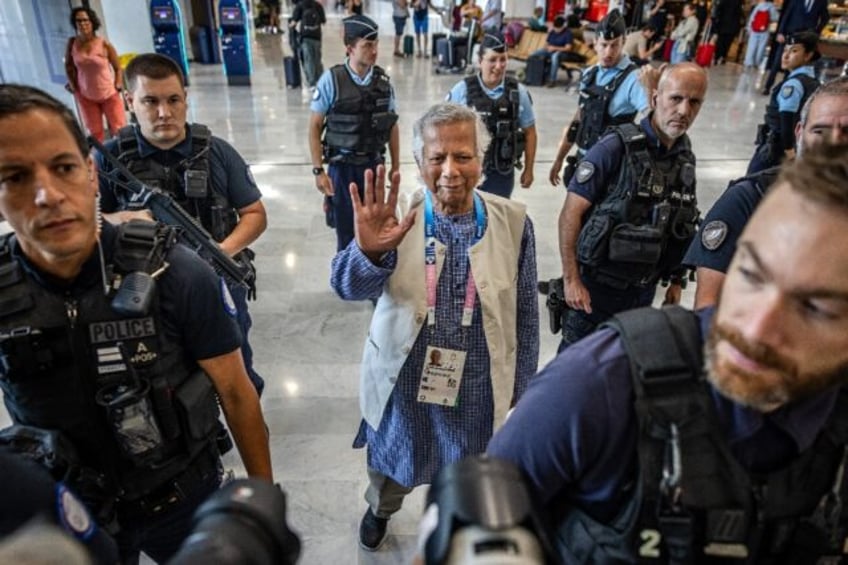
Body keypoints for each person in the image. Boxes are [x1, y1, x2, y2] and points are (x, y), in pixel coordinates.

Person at [488, 142, 848, 562]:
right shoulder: (602, 382)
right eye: (750, 273)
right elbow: (468, 529)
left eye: (815, 307)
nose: (756, 326)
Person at [0, 84, 272, 563]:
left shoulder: (178, 273)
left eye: (63, 167)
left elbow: (235, 391)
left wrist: (261, 509)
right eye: (15, 177)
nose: (47, 195)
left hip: (182, 498)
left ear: (89, 171)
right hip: (70, 512)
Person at [330, 102, 539, 552]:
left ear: (481, 160)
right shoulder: (396, 217)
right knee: (393, 461)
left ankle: (457, 521)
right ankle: (380, 508)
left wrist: (521, 392)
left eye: (463, 156)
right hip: (405, 382)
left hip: (479, 386)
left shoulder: (514, 223)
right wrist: (366, 253)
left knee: (468, 473)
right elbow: (345, 287)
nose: (450, 170)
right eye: (436, 157)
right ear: (419, 162)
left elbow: (525, 313)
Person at [94, 53, 268, 397]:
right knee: (160, 382)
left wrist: (217, 254)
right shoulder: (110, 158)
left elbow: (255, 214)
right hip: (145, 293)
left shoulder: (217, 152)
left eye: (173, 99)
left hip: (217, 285)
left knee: (238, 379)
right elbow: (88, 226)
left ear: (186, 99)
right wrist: (123, 219)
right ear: (130, 101)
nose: (164, 112)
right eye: (150, 101)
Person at [556, 63, 707, 349]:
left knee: (622, 368)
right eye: (676, 98)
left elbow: (683, 220)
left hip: (642, 292)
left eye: (694, 101)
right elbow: (570, 214)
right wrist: (571, 280)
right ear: (654, 99)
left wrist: (676, 281)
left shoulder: (685, 157)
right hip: (595, 291)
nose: (684, 111)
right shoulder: (614, 147)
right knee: (574, 371)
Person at [684, 77, 848, 309]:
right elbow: (709, 308)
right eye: (820, 130)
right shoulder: (750, 199)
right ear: (800, 133)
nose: (834, 143)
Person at [309, 14, 400, 253]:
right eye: (367, 45)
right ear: (350, 48)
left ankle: (370, 278)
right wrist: (319, 170)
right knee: (345, 229)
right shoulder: (332, 80)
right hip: (342, 168)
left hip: (374, 166)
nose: (374, 50)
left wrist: (396, 165)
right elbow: (314, 126)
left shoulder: (383, 83)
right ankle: (346, 280)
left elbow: (392, 126)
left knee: (375, 229)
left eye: (376, 44)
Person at [548, 9, 650, 188]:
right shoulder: (589, 74)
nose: (608, 52)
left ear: (623, 43)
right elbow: (577, 122)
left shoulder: (633, 79)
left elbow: (653, 121)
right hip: (583, 161)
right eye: (603, 45)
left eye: (614, 45)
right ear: (595, 43)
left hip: (610, 167)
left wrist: (651, 89)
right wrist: (559, 159)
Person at [446, 32, 537, 198]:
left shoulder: (518, 93)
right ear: (480, 60)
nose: (499, 65)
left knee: (498, 218)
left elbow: (530, 132)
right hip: (467, 171)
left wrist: (529, 169)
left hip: (502, 173)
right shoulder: (462, 91)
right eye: (493, 59)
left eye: (503, 59)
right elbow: (444, 131)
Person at [747, 31, 820, 175]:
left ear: (808, 55)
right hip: (795, 148)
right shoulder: (813, 82)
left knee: (750, 187)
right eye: (785, 50)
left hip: (775, 151)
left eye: (793, 51)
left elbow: (786, 120)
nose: (785, 55)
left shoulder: (793, 84)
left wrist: (790, 153)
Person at [64, 6, 126, 143]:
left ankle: (124, 160)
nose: (82, 24)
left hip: (109, 93)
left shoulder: (104, 44)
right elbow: (68, 65)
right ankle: (100, 161)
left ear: (92, 22)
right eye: (78, 21)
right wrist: (73, 85)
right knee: (95, 133)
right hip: (86, 95)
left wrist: (118, 83)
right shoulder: (72, 44)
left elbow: (117, 67)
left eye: (86, 20)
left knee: (119, 129)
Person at [760, 0, 829, 95]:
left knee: (794, 64)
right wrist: (780, 32)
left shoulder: (821, 2)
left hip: (804, 38)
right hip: (788, 35)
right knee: (777, 63)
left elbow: (826, 17)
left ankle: (783, 88)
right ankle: (767, 87)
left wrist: (816, 31)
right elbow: (786, 15)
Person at [529, 16, 581, 87]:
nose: (556, 30)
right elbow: (546, 43)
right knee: (535, 53)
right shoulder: (552, 32)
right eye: (555, 28)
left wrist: (555, 48)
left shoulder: (568, 33)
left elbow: (568, 48)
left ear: (563, 26)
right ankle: (530, 74)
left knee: (554, 57)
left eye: (558, 28)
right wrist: (547, 47)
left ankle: (552, 80)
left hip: (562, 53)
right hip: (550, 50)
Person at [290, 0, 327, 90]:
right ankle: (321, 80)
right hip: (317, 36)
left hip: (305, 37)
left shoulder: (300, 5)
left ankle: (312, 83)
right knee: (317, 59)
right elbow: (323, 21)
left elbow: (293, 23)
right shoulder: (318, 6)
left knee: (308, 60)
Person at [744, 0, 780, 69]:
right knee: (761, 47)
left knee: (751, 46)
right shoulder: (771, 7)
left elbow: (752, 17)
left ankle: (748, 62)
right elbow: (775, 17)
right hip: (764, 30)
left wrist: (749, 28)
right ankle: (757, 63)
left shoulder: (759, 5)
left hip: (754, 29)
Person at [710, 0, 742, 64]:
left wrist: (715, 26)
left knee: (720, 42)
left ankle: (717, 57)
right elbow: (739, 16)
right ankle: (722, 57)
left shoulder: (723, 2)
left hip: (722, 26)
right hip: (731, 28)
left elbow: (718, 12)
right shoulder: (737, 2)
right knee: (727, 44)